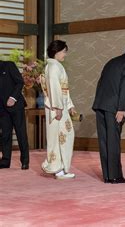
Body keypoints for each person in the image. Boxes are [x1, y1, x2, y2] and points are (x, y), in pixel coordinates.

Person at [92, 41, 125, 184]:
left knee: (104, 142)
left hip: (100, 105)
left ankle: (108, 176)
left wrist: (98, 104)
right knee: (114, 141)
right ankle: (116, 176)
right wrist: (121, 109)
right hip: (114, 108)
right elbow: (124, 88)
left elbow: (100, 83)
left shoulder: (111, 61)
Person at [40, 40, 76, 179]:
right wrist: (59, 108)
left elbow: (64, 90)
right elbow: (55, 89)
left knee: (64, 136)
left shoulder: (55, 66)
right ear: (56, 51)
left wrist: (70, 105)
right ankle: (58, 169)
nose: (65, 54)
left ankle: (60, 168)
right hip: (56, 108)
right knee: (58, 138)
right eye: (64, 51)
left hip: (60, 106)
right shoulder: (54, 67)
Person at [0, 60, 29, 169]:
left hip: (16, 106)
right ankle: (5, 161)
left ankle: (25, 161)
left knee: (21, 134)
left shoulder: (8, 65)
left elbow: (20, 82)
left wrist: (13, 98)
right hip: (2, 109)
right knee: (5, 135)